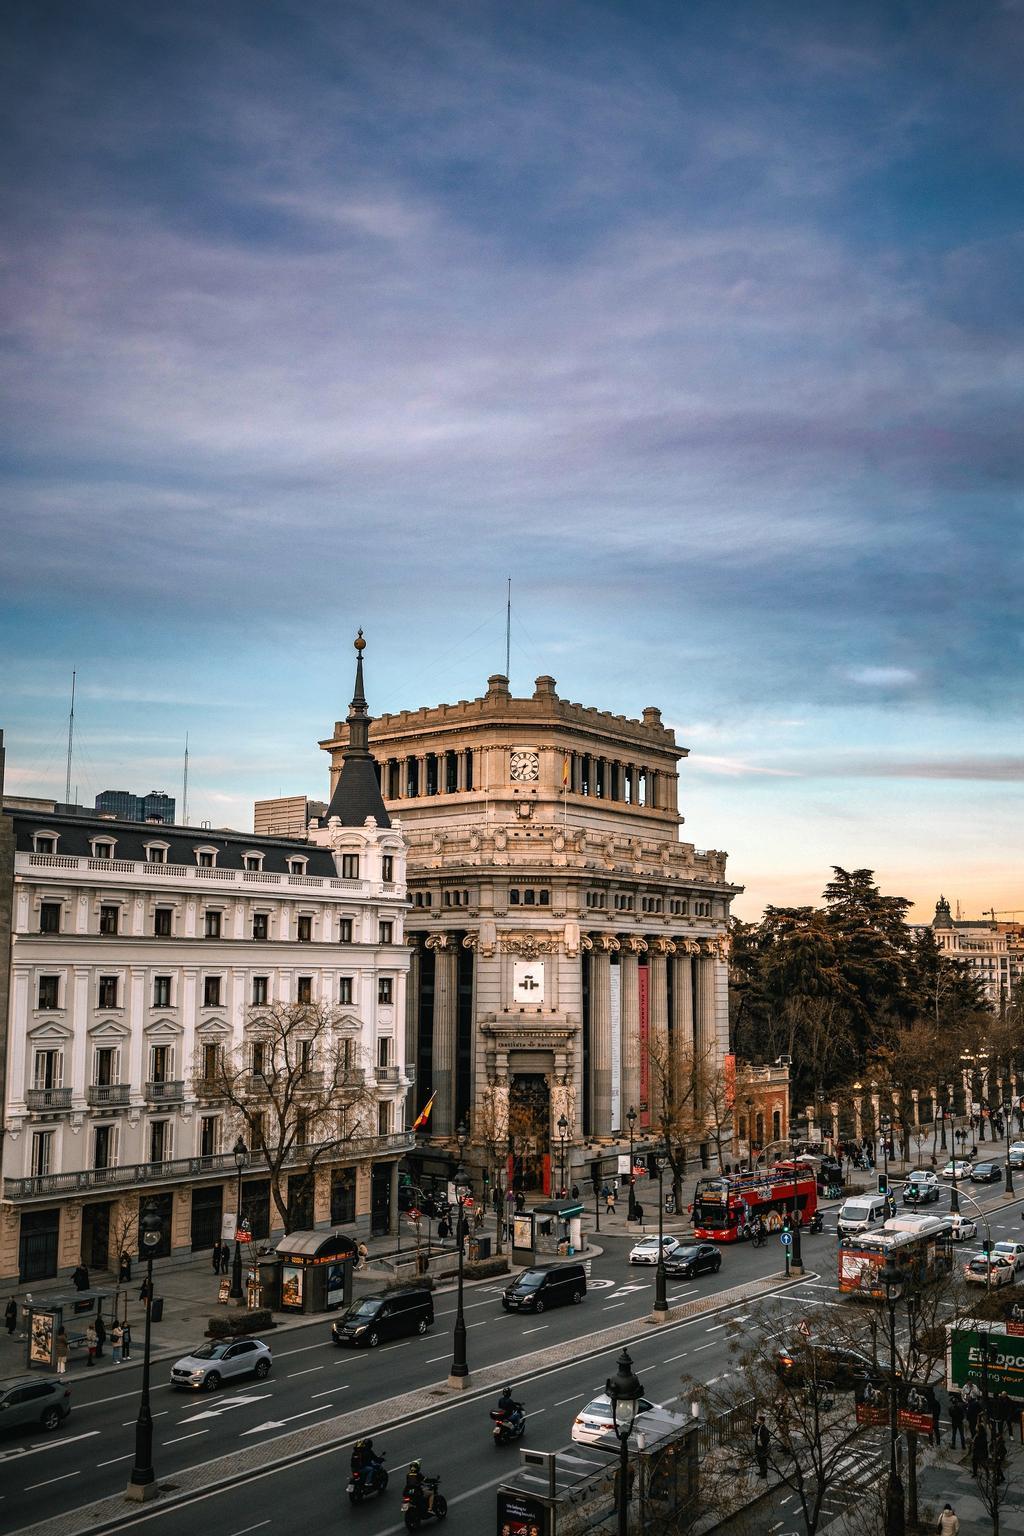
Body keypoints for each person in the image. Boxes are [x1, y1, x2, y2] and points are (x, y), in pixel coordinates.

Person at [754, 1414, 770, 1478]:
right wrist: (753, 1426)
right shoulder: (759, 1426)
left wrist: (763, 1445)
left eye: (758, 1420)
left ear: (761, 1421)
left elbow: (767, 1439)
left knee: (763, 1460)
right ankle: (761, 1471)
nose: (757, 1421)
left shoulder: (764, 1428)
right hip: (758, 1446)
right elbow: (754, 1432)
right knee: (759, 1459)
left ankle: (764, 1473)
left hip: (762, 1447)